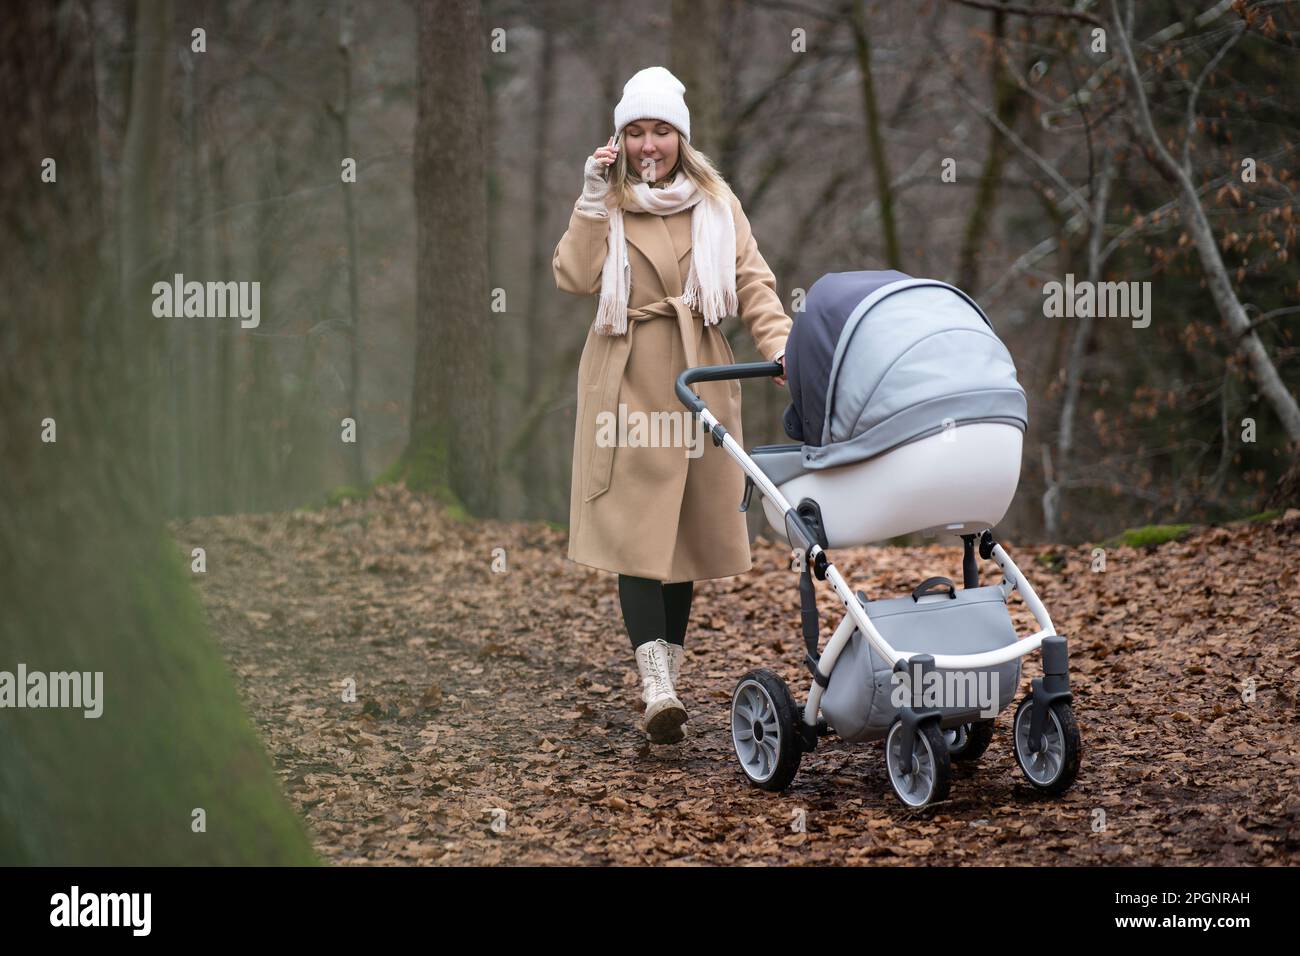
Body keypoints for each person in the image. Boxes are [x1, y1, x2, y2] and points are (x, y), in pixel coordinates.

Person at [552, 66, 792, 744]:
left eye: (661, 131)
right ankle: (654, 684)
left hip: (702, 376)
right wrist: (592, 198)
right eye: (636, 132)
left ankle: (669, 685)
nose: (649, 144)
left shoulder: (717, 204)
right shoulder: (609, 202)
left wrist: (784, 349)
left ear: (680, 138)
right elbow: (572, 275)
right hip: (626, 372)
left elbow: (755, 285)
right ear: (620, 138)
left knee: (684, 533)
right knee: (637, 526)